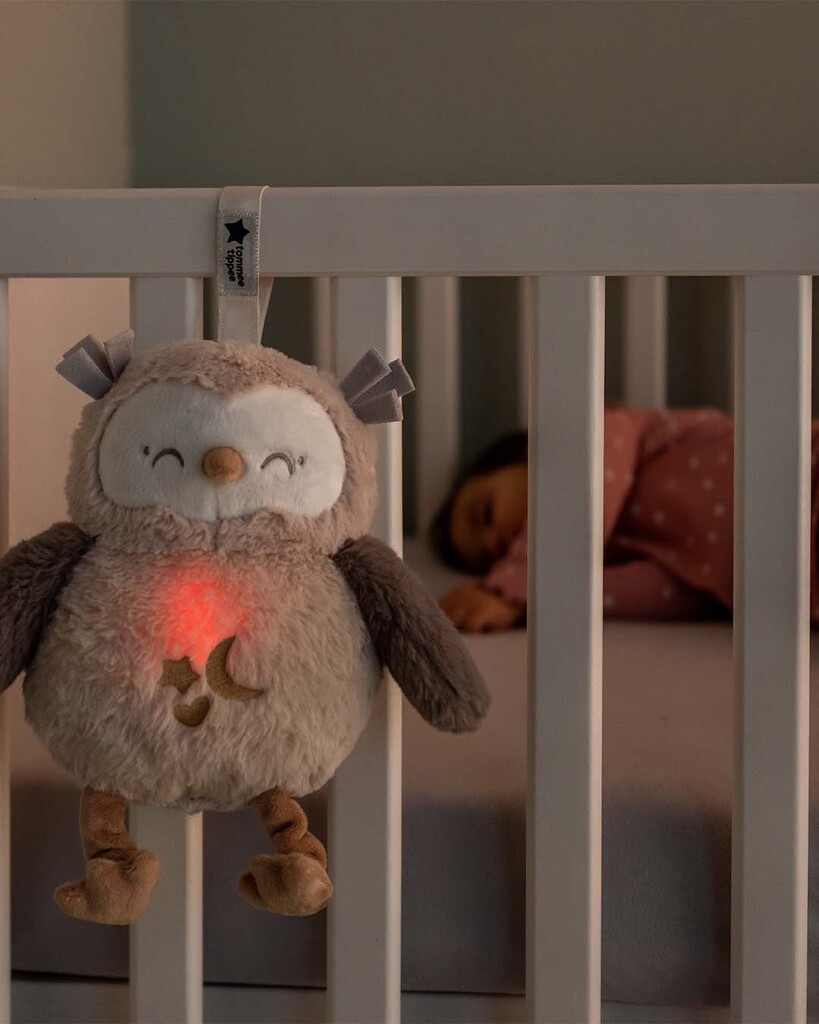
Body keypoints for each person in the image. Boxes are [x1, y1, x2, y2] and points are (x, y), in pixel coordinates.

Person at [433, 407, 807, 632]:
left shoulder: (611, 432)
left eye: (484, 514)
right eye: (488, 559)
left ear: (530, 455)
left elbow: (584, 486)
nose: (493, 542)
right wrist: (529, 602)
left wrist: (511, 584)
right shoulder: (606, 552)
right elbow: (675, 593)